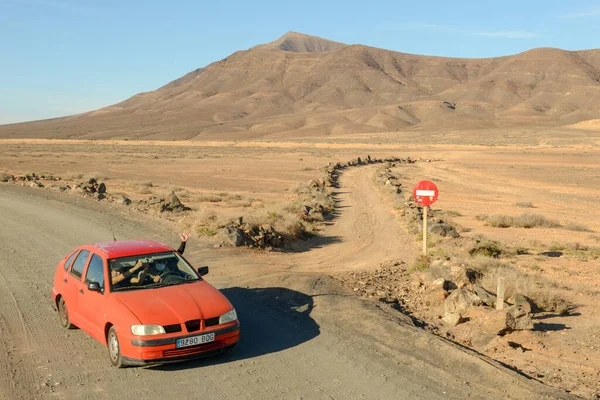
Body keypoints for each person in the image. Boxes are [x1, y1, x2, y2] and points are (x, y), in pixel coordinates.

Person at [110, 230, 191, 286]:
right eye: (160, 262)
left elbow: (178, 255)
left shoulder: (168, 266)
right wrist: (150, 276)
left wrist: (183, 242)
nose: (162, 264)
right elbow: (139, 281)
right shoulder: (148, 269)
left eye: (163, 262)